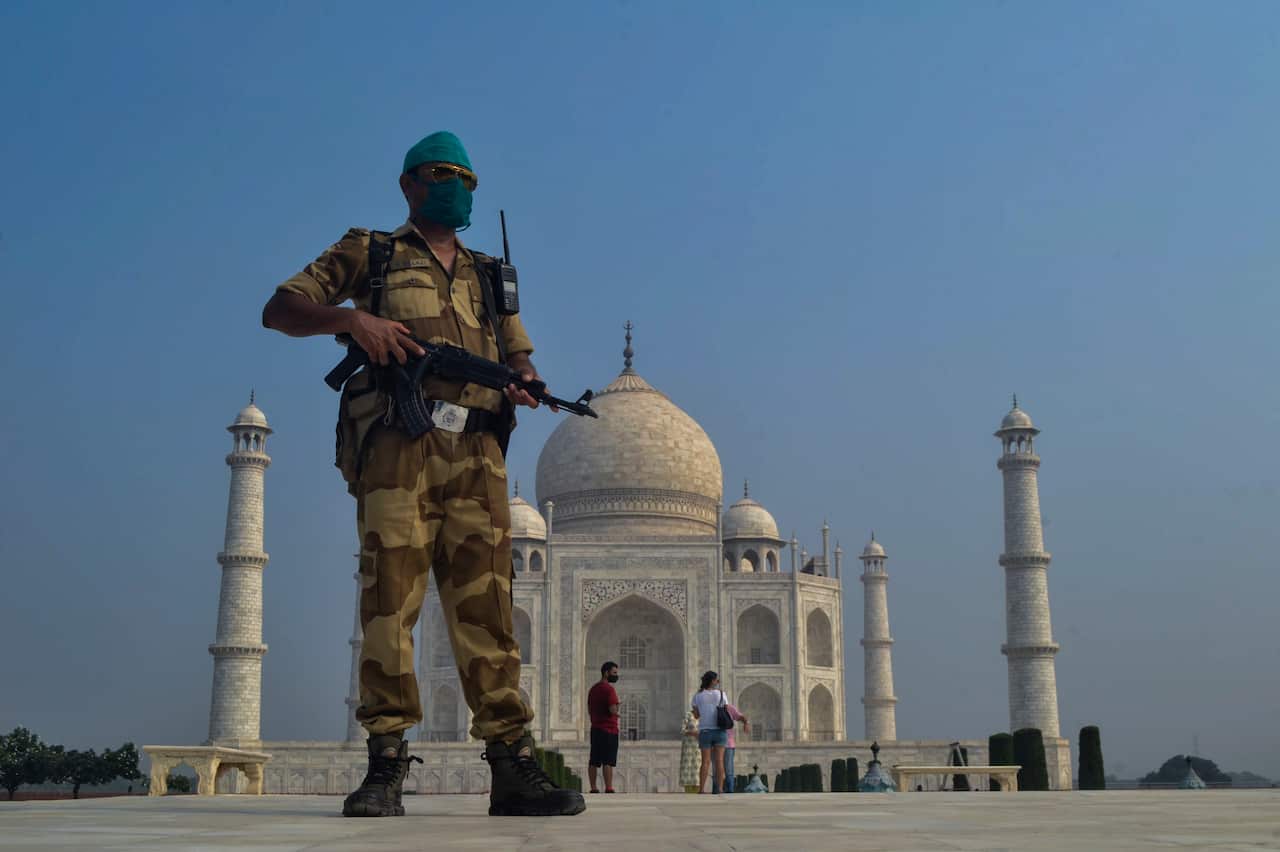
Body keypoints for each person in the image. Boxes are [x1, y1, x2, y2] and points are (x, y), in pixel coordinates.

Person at [262, 130, 585, 819]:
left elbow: (519, 355)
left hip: (477, 458)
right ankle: (385, 765)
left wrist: (525, 380)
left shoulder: (492, 274)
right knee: (391, 605)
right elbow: (280, 309)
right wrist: (354, 321)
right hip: (400, 450)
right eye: (442, 175)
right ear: (409, 183)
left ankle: (511, 765)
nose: (457, 187)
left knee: (490, 613)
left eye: (467, 178)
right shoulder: (370, 252)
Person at [690, 671, 728, 794]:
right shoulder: (721, 694)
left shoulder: (697, 696)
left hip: (705, 731)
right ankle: (720, 789)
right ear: (712, 681)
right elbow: (726, 710)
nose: (718, 682)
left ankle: (701, 789)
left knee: (705, 762)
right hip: (719, 730)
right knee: (719, 761)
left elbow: (696, 716)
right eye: (717, 680)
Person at [586, 662, 621, 793]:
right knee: (608, 761)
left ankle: (593, 787)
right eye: (614, 673)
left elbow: (589, 709)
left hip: (596, 728)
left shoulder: (593, 689)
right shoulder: (609, 689)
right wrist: (617, 708)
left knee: (594, 760)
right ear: (606, 672)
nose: (616, 676)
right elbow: (612, 710)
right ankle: (609, 787)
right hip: (609, 729)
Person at [714, 702, 748, 793]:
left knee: (726, 769)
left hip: (727, 743)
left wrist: (746, 723)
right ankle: (718, 789)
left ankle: (728, 789)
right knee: (718, 768)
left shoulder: (729, 708)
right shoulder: (712, 708)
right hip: (718, 743)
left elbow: (740, 717)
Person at [679, 709, 700, 793]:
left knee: (698, 767)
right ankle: (688, 790)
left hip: (699, 747)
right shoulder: (688, 715)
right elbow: (682, 730)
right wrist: (693, 733)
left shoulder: (704, 716)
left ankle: (698, 789)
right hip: (688, 746)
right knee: (687, 767)